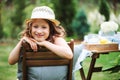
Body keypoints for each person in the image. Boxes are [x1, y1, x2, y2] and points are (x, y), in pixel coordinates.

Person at [8, 6, 73, 80]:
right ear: (30, 27)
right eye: (35, 26)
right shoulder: (27, 40)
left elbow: (69, 54)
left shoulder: (56, 39)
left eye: (44, 27)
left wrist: (45, 43)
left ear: (50, 29)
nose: (39, 31)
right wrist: (22, 41)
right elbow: (11, 61)